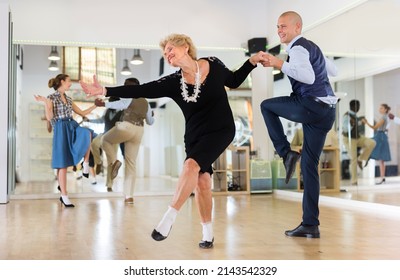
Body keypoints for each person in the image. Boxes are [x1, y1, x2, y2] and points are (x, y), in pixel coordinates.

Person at [80, 33, 266, 248]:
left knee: (191, 165)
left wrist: (251, 62)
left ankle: (169, 217)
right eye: (164, 53)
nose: (167, 55)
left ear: (185, 47)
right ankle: (208, 234)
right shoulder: (173, 82)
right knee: (202, 182)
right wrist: (105, 90)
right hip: (195, 135)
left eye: (170, 49)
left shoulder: (213, 64)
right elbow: (141, 90)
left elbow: (233, 80)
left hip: (221, 129)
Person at [260, 11, 338, 238]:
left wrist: (278, 63)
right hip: (326, 112)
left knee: (266, 106)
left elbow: (308, 77)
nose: (279, 30)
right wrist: (286, 62)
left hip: (311, 106)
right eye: (277, 27)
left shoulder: (297, 48)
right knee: (309, 167)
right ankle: (310, 225)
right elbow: (334, 71)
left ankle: (286, 153)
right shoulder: (312, 48)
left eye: (283, 26)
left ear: (297, 27)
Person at [34, 74, 97, 207]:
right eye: (69, 81)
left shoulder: (68, 99)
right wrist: (45, 102)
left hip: (72, 125)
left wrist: (95, 105)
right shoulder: (51, 98)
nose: (70, 84)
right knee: (62, 163)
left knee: (87, 133)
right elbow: (50, 117)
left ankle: (86, 163)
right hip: (61, 129)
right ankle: (64, 195)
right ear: (62, 81)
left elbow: (83, 113)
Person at [97, 77, 155, 202]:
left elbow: (121, 104)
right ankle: (129, 196)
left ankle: (113, 162)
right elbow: (150, 122)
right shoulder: (146, 103)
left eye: (126, 85)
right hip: (139, 131)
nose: (125, 87)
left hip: (127, 127)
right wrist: (151, 115)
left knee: (104, 140)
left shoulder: (129, 96)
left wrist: (103, 104)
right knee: (131, 163)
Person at [90, 96, 125, 190]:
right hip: (104, 135)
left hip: (114, 139)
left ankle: (109, 184)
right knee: (94, 143)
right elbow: (101, 120)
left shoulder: (123, 113)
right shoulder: (107, 111)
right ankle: (99, 163)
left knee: (111, 162)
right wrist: (89, 120)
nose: (110, 105)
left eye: (112, 103)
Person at [342, 99, 376, 185]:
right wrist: (355, 123)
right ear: (352, 107)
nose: (358, 108)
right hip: (349, 139)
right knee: (353, 158)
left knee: (372, 143)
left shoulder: (356, 116)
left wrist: (360, 122)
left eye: (359, 107)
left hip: (358, 137)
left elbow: (357, 125)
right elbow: (346, 129)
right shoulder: (347, 116)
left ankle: (360, 159)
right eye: (357, 106)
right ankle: (354, 180)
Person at [363, 104, 391, 184]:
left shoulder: (384, 117)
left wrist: (366, 123)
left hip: (380, 137)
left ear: (385, 109)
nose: (380, 109)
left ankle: (382, 177)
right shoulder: (386, 117)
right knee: (381, 160)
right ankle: (382, 177)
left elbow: (374, 127)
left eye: (381, 108)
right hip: (381, 136)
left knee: (380, 158)